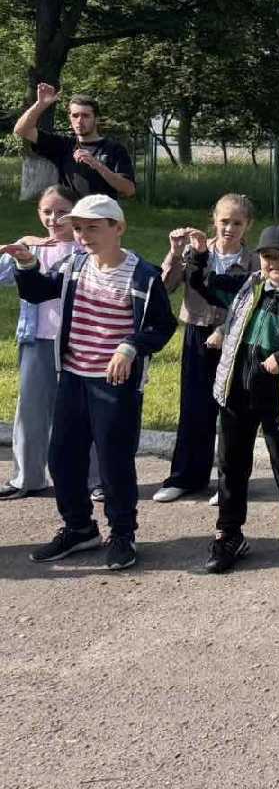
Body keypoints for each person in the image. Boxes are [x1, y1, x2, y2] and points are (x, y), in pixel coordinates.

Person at [5, 195, 176, 571]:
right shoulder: (75, 265)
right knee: (62, 458)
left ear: (119, 228)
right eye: (79, 228)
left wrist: (131, 347)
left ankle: (123, 534)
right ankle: (79, 528)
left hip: (114, 384)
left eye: (93, 228)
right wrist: (27, 263)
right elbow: (38, 292)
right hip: (72, 377)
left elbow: (162, 326)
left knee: (114, 462)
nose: (83, 235)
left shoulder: (142, 275)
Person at [202, 226, 279, 576]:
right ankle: (229, 533)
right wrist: (197, 257)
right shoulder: (251, 285)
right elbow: (208, 286)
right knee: (231, 466)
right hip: (236, 393)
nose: (275, 263)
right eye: (268, 256)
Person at [153, 194, 258, 502]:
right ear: (214, 220)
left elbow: (252, 303)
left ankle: (229, 484)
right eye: (224, 221)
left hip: (235, 337)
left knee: (232, 411)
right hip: (197, 333)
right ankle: (186, 477)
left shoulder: (253, 261)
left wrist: (225, 330)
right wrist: (174, 254)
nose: (229, 228)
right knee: (194, 407)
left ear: (248, 225)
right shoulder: (194, 251)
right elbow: (165, 286)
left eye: (237, 223)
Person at [0, 185, 78, 499]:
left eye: (62, 212)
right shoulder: (32, 247)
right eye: (47, 212)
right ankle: (28, 478)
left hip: (78, 343)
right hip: (36, 340)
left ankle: (93, 481)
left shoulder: (86, 248)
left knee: (82, 413)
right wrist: (18, 246)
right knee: (31, 411)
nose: (54, 219)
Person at [12, 83, 135, 199]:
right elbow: (21, 130)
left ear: (96, 119)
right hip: (71, 212)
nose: (79, 121)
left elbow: (129, 190)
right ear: (70, 118)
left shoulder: (114, 149)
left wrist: (97, 164)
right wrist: (40, 104)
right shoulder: (63, 145)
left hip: (101, 213)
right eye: (75, 116)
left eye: (85, 116)